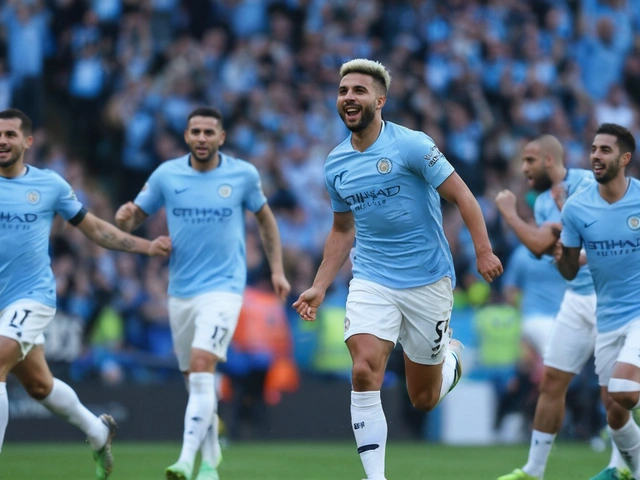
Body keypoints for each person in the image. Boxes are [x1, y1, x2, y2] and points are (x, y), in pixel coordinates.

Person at [293, 58, 503, 480]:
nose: (349, 97)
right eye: (343, 91)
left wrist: (483, 252)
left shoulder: (411, 145)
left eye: (359, 91)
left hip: (428, 279)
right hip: (372, 277)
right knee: (363, 367)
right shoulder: (335, 164)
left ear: (380, 100)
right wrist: (318, 285)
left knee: (422, 399)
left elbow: (463, 197)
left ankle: (453, 357)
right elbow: (341, 230)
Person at [115, 106, 290, 480]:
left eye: (209, 132)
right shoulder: (167, 174)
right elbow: (133, 217)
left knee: (201, 367)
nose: (202, 138)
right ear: (187, 136)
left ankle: (185, 460)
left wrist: (276, 270)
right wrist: (125, 217)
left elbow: (266, 222)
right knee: (197, 381)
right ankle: (212, 462)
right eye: (195, 131)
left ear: (221, 138)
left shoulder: (242, 175)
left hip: (224, 290)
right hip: (180, 293)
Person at [0, 108, 172, 480]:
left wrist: (144, 247)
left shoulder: (49, 186)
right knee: (38, 384)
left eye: (11, 134)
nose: (2, 140)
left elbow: (96, 230)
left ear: (27, 141)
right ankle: (97, 430)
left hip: (31, 296)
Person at [494, 134, 627, 480]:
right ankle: (533, 470)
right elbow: (541, 245)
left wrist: (509, 212)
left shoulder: (586, 182)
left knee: (614, 392)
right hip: (575, 298)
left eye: (529, 161)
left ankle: (622, 465)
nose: (524, 169)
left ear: (549, 161)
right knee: (552, 381)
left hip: (607, 297)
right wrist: (517, 217)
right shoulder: (541, 203)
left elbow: (607, 228)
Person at [556, 123, 640, 480]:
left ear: (625, 158)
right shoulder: (575, 209)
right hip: (607, 316)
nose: (595, 156)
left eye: (604, 150)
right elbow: (570, 270)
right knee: (615, 413)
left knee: (625, 390)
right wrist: (562, 253)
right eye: (593, 149)